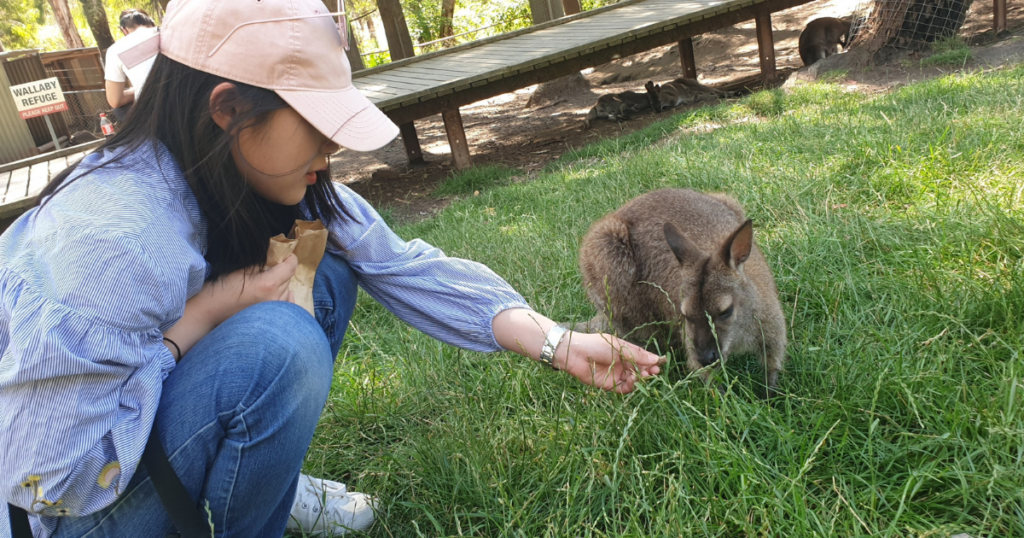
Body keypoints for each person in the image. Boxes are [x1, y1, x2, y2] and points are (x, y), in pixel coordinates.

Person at [0, 0, 663, 536]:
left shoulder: (256, 177)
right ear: (227, 109)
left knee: (325, 264)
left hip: (109, 459)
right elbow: (50, 477)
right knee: (279, 344)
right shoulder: (116, 242)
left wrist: (557, 341)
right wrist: (202, 316)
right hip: (60, 510)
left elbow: (404, 266)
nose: (334, 145)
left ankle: (259, 483)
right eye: (316, 122)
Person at [103, 9, 158, 121]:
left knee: (119, 108)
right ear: (152, 23)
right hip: (191, 95)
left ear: (124, 30)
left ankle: (145, 135)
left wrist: (142, 88)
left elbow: (115, 100)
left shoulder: (115, 50)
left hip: (154, 110)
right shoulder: (167, 33)